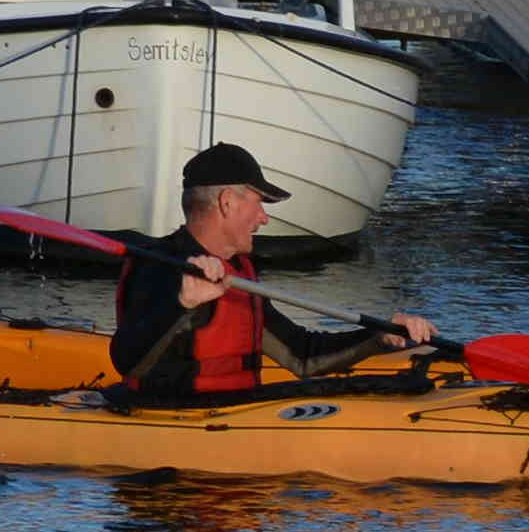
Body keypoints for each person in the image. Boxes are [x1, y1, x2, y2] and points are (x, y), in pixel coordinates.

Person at [102, 143, 430, 401]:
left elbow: (302, 357)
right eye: (259, 204)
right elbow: (126, 362)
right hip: (170, 429)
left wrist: (379, 336)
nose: (264, 218)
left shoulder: (239, 272)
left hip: (236, 418)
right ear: (227, 202)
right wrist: (181, 305)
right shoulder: (160, 265)